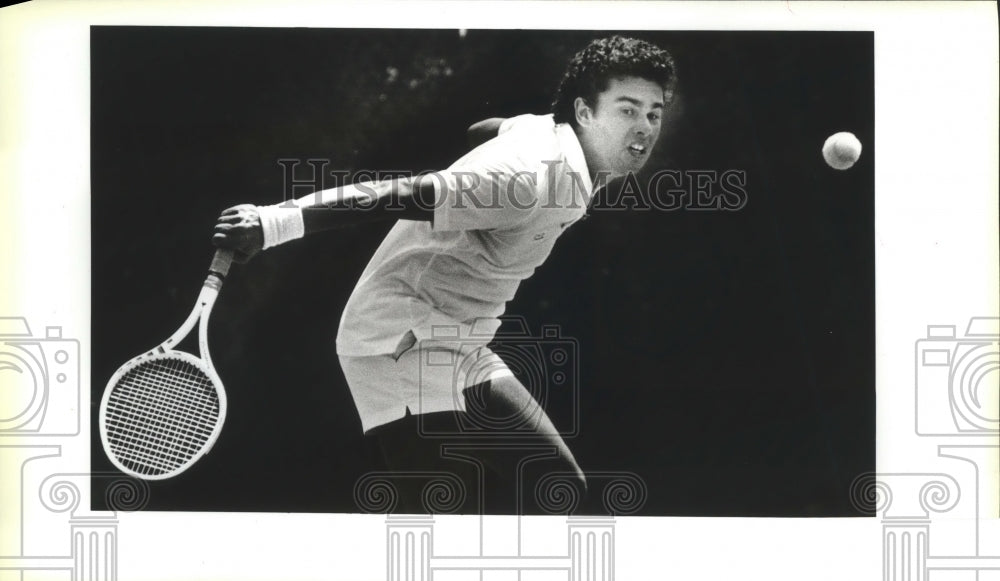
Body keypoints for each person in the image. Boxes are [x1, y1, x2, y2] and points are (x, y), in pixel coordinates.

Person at [212, 35, 676, 514]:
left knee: (556, 489)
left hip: (462, 339)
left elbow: (486, 128)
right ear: (584, 112)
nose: (643, 127)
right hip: (395, 338)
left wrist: (479, 165)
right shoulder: (525, 177)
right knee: (443, 525)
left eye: (653, 113)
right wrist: (272, 223)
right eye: (627, 110)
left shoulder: (558, 141)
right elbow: (396, 193)